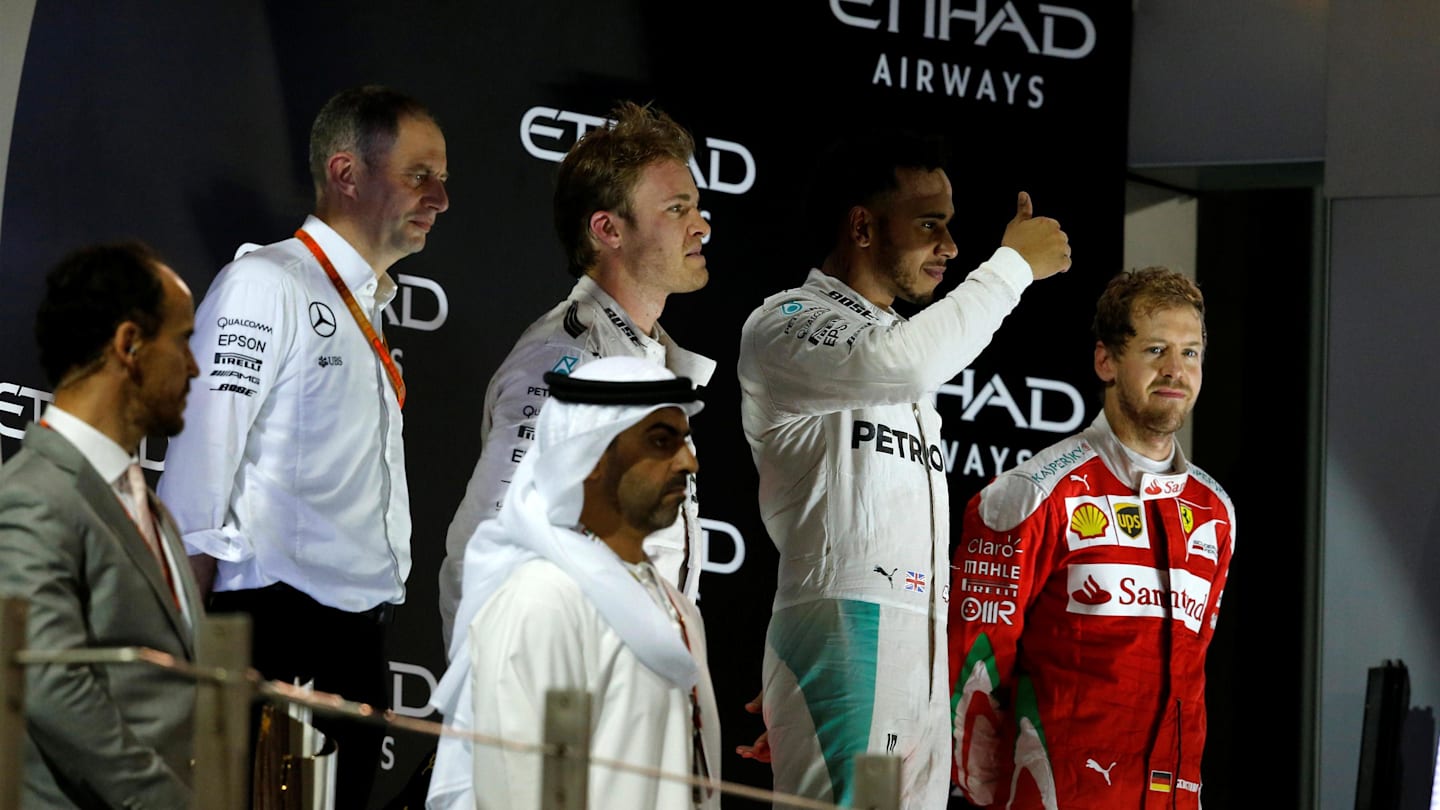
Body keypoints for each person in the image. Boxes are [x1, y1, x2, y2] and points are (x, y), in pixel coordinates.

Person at [736, 131, 1071, 807]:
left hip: (913, 644)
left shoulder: (891, 349)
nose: (949, 247)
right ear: (862, 224)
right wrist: (1009, 267)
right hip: (851, 629)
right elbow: (900, 363)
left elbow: (903, 361)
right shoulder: (788, 320)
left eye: (949, 226)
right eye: (929, 224)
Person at [156, 84, 448, 806]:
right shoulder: (266, 283)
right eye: (420, 175)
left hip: (354, 639)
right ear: (346, 174)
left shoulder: (366, 304)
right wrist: (184, 666)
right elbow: (195, 482)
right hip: (272, 635)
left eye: (443, 179)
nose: (440, 198)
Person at [949, 266, 1233, 809]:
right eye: (1155, 350)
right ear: (1106, 360)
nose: (1176, 370)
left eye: (1190, 352)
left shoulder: (1215, 509)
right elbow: (974, 673)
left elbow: (1190, 679)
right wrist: (989, 796)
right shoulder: (1031, 493)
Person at [437, 100, 715, 650]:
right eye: (677, 210)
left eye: (697, 207)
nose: (701, 227)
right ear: (608, 229)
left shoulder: (644, 358)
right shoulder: (564, 361)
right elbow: (483, 547)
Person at [426, 357, 721, 810]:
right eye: (662, 442)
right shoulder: (545, 601)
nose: (689, 462)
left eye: (686, 442)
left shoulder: (674, 608)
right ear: (592, 457)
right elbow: (523, 796)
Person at [0, 242, 204, 808]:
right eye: (183, 340)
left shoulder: (147, 503)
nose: (194, 365)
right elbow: (49, 687)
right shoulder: (33, 496)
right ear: (129, 345)